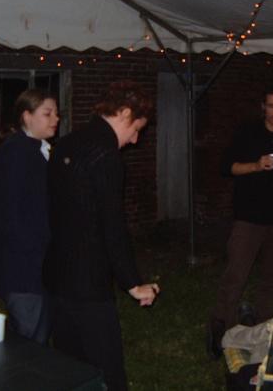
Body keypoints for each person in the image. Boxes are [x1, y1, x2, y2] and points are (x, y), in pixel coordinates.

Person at [42, 80, 160, 391]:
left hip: (56, 277)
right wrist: (133, 283)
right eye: (137, 129)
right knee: (107, 371)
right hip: (88, 284)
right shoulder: (106, 155)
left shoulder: (66, 143)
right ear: (125, 113)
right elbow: (113, 226)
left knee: (70, 369)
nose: (135, 139)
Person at [208, 84, 273, 359]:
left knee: (270, 279)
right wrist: (255, 165)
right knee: (235, 277)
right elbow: (227, 167)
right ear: (263, 107)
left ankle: (264, 334)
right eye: (271, 106)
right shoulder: (248, 133)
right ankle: (222, 333)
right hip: (249, 219)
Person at [0, 89, 59, 344]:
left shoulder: (36, 149)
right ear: (27, 116)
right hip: (23, 266)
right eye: (48, 113)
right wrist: (36, 254)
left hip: (37, 262)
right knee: (30, 339)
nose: (56, 119)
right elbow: (13, 212)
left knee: (36, 332)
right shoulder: (16, 152)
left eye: (56, 113)